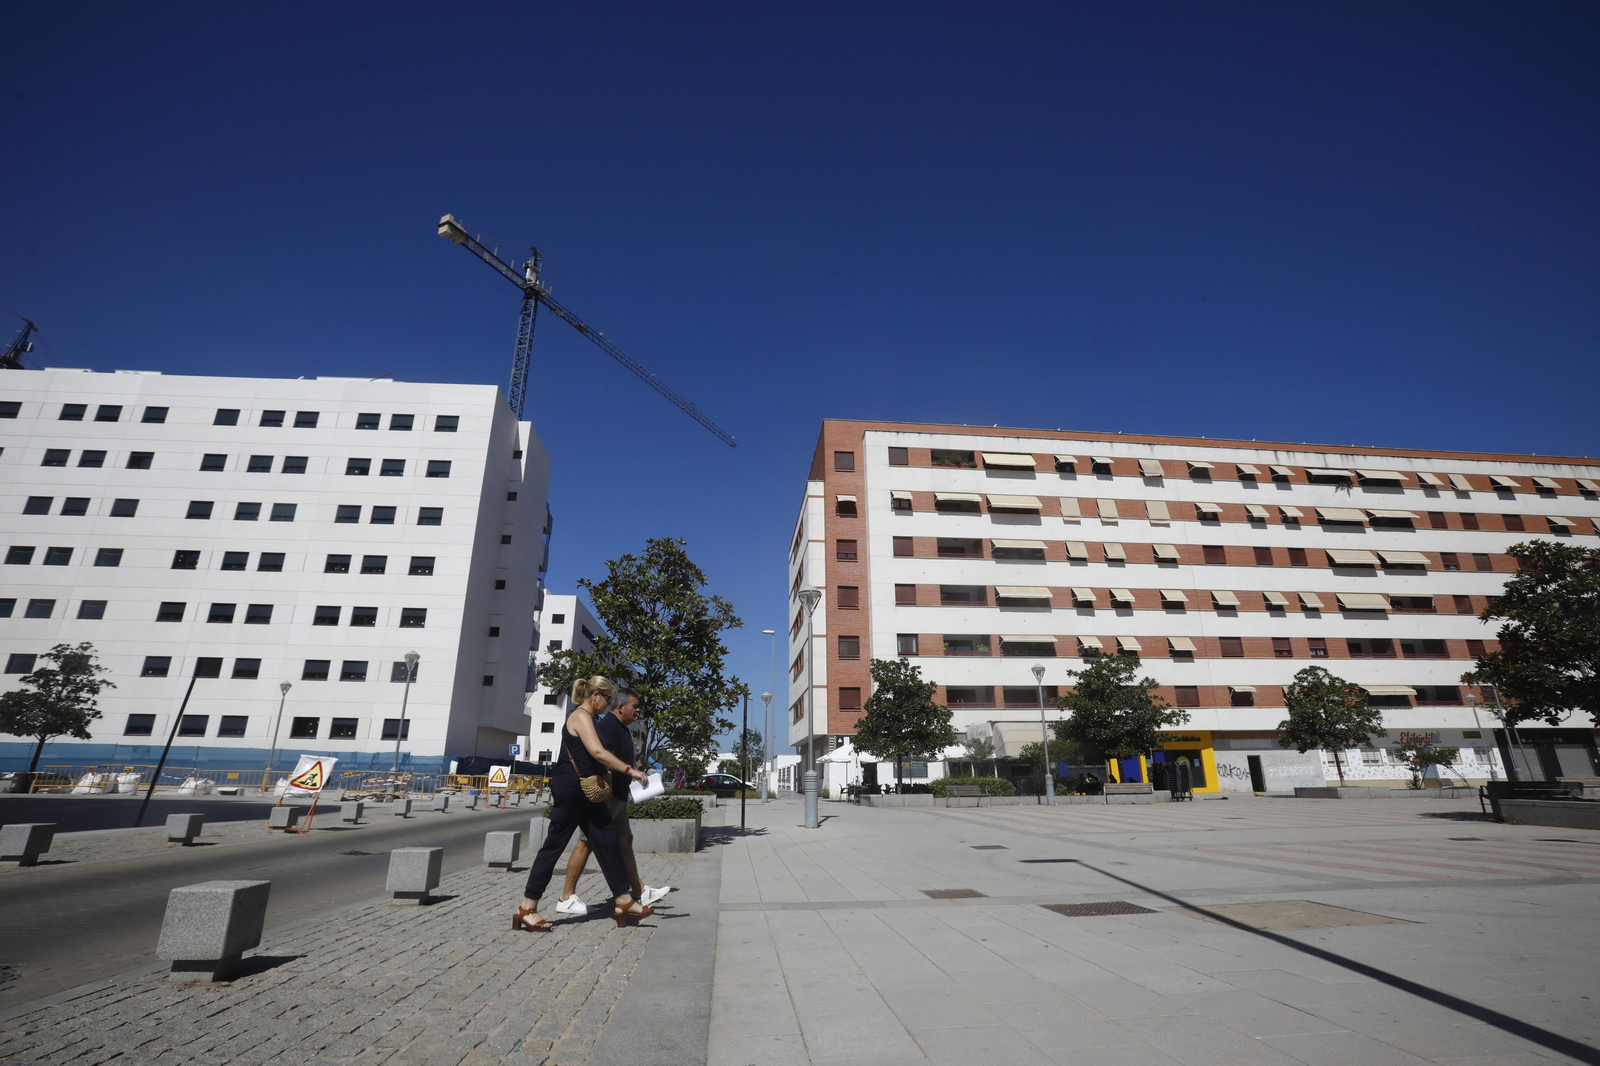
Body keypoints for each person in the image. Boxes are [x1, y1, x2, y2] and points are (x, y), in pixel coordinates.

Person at [514, 676, 652, 932]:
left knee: (608, 839)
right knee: (554, 845)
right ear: (595, 695)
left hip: (589, 790)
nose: (608, 704)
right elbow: (598, 752)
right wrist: (629, 771)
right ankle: (527, 907)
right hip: (572, 788)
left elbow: (598, 757)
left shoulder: (594, 719)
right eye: (608, 699)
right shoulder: (579, 716)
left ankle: (623, 899)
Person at [555, 691, 670, 914]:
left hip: (619, 795)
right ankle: (566, 897)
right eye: (635, 706)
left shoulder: (621, 728)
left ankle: (639, 890)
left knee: (625, 840)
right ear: (620, 708)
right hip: (608, 798)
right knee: (586, 843)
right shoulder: (608, 726)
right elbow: (603, 761)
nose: (638, 711)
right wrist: (605, 797)